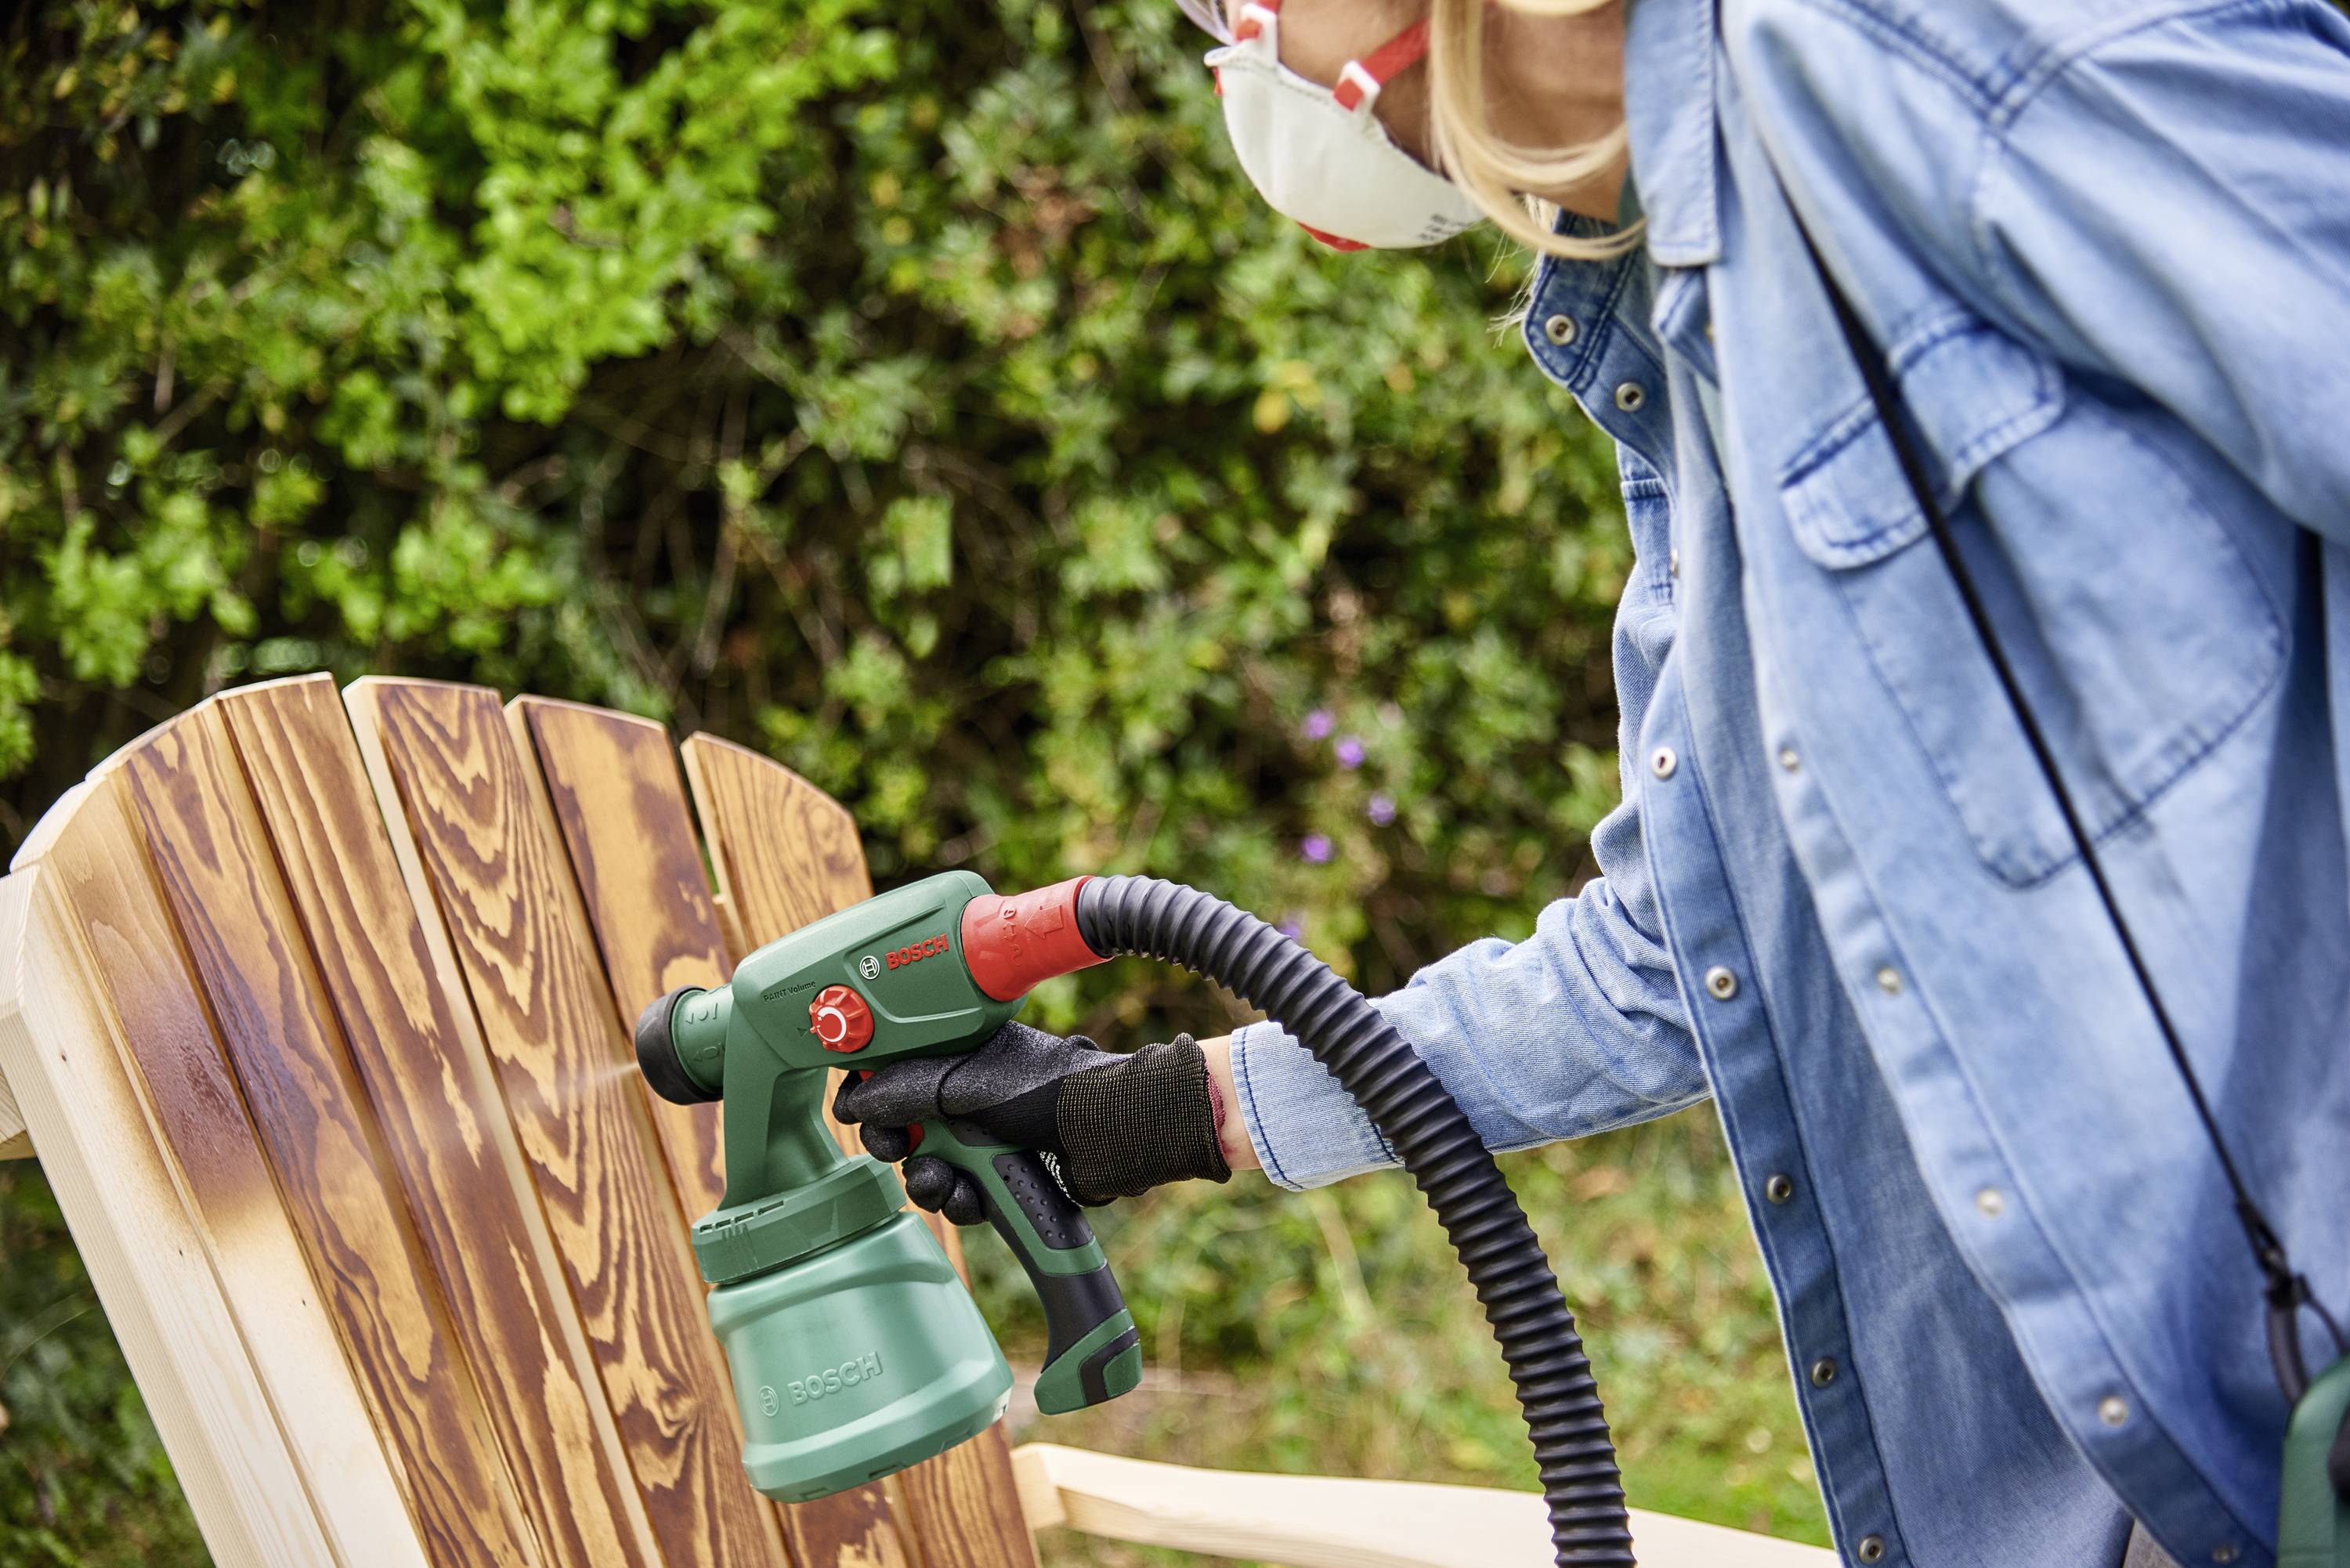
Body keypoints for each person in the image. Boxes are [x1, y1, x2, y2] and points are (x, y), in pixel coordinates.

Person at [834, 1, 2350, 1563]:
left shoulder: (1942, 50)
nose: (1233, 38)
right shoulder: (1686, 338)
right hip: (2194, 1479)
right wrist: (1155, 1108)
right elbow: (1686, 956)